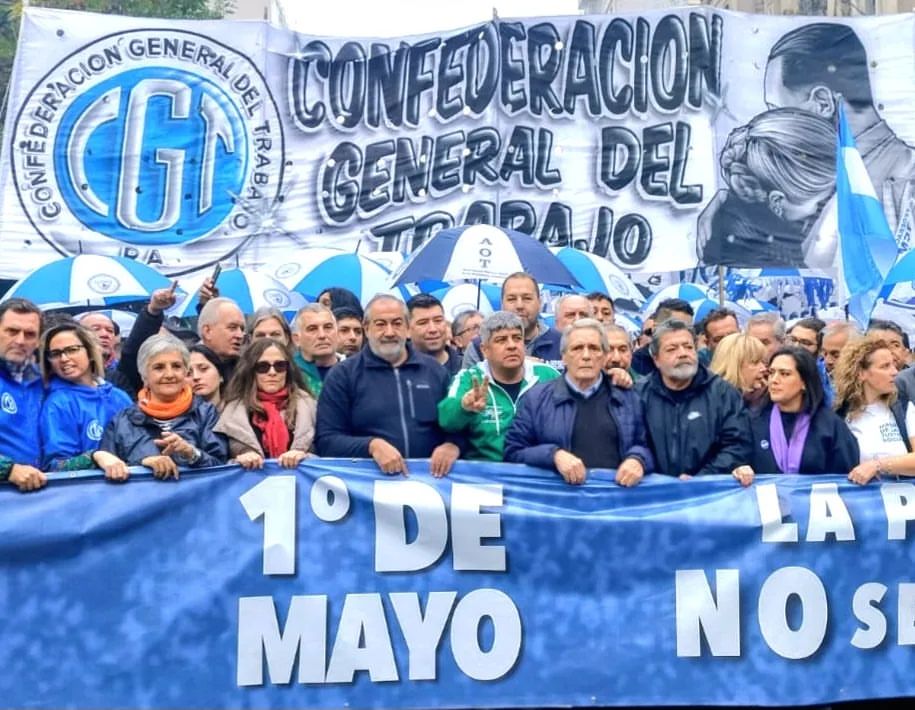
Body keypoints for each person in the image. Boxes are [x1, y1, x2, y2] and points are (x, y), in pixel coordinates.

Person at [764, 23, 915, 235]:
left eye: (777, 112)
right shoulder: (817, 184)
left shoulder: (906, 183)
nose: (771, 129)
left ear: (823, 102)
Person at [315, 295, 463, 476]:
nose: (390, 332)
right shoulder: (343, 376)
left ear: (407, 328)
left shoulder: (435, 371)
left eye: (397, 323)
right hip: (367, 485)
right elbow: (327, 440)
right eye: (381, 324)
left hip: (431, 482)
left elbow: (457, 424)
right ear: (366, 328)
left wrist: (453, 444)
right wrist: (371, 446)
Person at [504, 319, 653, 486]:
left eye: (594, 348)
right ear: (563, 357)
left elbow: (648, 447)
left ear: (604, 356)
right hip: (557, 499)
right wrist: (553, 455)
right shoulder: (536, 399)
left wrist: (638, 459)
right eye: (577, 348)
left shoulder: (628, 398)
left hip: (614, 499)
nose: (586, 356)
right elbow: (513, 451)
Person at [698, 108, 838, 267]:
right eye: (819, 203)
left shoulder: (735, 213)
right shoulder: (769, 263)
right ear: (777, 201)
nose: (821, 210)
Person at [95, 334, 228, 480]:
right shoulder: (122, 421)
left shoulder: (205, 413)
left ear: (185, 371)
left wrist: (192, 454)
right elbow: (106, 471)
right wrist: (142, 463)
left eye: (176, 366)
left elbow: (224, 470)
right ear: (144, 375)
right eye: (159, 367)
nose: (169, 374)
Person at [438, 311, 560, 461]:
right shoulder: (469, 378)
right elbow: (446, 420)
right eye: (501, 340)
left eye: (517, 338)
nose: (512, 346)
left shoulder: (548, 376)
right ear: (484, 350)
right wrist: (463, 407)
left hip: (538, 468)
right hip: (485, 472)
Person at [638, 320, 752, 479]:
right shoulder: (639, 395)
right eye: (672, 349)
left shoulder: (723, 394)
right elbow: (633, 443)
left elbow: (737, 445)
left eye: (688, 347)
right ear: (656, 359)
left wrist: (700, 480)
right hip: (654, 491)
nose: (683, 353)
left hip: (708, 490)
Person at [732, 347, 859, 486]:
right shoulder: (753, 421)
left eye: (784, 374)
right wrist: (739, 469)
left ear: (804, 382)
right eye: (771, 373)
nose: (774, 380)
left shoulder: (831, 426)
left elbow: (847, 479)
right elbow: (737, 459)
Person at [38, 323, 132, 472]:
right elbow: (55, 466)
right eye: (55, 354)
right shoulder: (57, 404)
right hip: (87, 486)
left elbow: (137, 444)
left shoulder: (119, 396)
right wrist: (94, 457)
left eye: (72, 350)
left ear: (90, 352)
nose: (64, 358)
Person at [215, 339, 316, 469]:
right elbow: (217, 464)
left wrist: (305, 458)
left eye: (280, 366)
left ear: (288, 370)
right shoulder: (229, 411)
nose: (272, 372)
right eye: (263, 367)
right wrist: (239, 462)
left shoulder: (310, 406)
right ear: (251, 371)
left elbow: (328, 458)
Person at [834, 337, 915, 485]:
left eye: (893, 364)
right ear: (861, 373)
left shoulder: (903, 407)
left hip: (903, 496)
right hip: (858, 496)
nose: (895, 372)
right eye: (885, 366)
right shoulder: (839, 415)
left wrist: (878, 465)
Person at [462, 272, 561, 367]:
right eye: (512, 299)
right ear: (502, 304)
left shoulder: (560, 343)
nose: (519, 305)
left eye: (527, 298)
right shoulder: (479, 346)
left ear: (539, 303)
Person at [0, 299, 46, 491]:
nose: (20, 341)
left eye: (29, 334)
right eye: (12, 331)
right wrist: (7, 469)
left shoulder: (46, 382)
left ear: (38, 341)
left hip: (44, 495)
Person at [631, 298, 695, 376]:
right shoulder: (634, 365)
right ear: (655, 327)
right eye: (675, 326)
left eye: (688, 329)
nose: (683, 334)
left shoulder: (696, 365)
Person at [710, 332, 769, 412]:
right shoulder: (711, 404)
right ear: (733, 365)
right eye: (755, 362)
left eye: (763, 362)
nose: (764, 368)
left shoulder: (766, 400)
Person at [407, 293, 462, 376]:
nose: (433, 329)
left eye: (438, 320)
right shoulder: (394, 373)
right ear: (407, 330)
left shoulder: (467, 369)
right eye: (423, 323)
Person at [292, 304, 341, 396]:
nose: (322, 335)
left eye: (328, 327)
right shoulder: (288, 373)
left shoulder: (355, 370)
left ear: (337, 333)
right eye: (312, 329)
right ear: (297, 339)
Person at [197, 297, 246, 378]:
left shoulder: (247, 373)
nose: (240, 335)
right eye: (232, 327)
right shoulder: (185, 372)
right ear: (207, 331)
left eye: (242, 329)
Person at [189, 344, 227, 410]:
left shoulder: (240, 411)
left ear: (220, 375)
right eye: (188, 373)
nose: (195, 377)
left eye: (203, 368)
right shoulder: (177, 415)